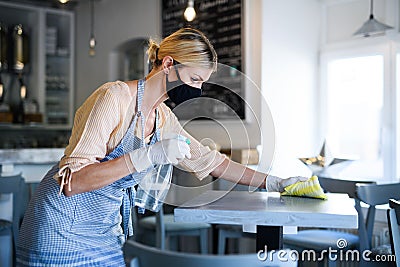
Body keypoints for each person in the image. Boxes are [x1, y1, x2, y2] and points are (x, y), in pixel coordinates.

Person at [16, 27, 306, 266]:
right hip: (60, 228)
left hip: (104, 231)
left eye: (202, 83)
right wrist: (147, 156)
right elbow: (74, 183)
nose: (196, 89)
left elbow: (211, 161)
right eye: (194, 79)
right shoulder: (114, 97)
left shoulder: (163, 117)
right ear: (168, 64)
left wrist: (274, 182)